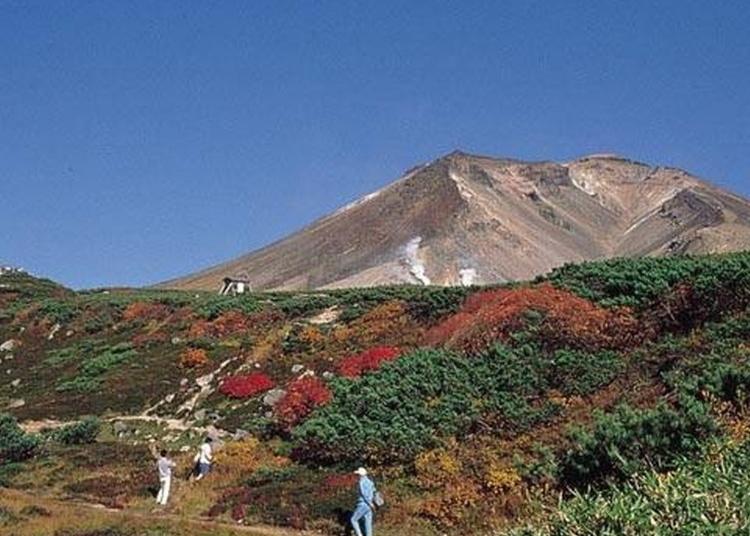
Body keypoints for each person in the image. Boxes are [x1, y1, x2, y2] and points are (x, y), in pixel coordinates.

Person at [351, 467, 376, 536]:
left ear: (360, 475)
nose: (357, 476)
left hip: (363, 504)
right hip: (369, 505)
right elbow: (374, 491)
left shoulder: (361, 482)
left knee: (353, 520)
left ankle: (359, 534)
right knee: (368, 523)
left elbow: (364, 494)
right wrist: (372, 503)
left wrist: (370, 503)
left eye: (358, 474)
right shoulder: (370, 482)